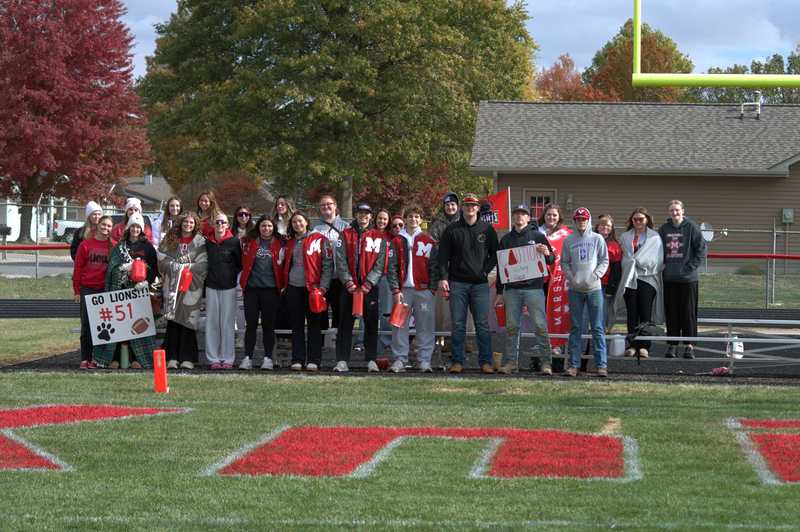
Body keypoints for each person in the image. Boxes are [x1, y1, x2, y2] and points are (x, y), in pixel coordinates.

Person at [437, 193, 498, 374]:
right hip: (458, 283)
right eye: (467, 205)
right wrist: (443, 277)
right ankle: (457, 361)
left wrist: (486, 270)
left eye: (473, 205)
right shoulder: (452, 230)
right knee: (458, 324)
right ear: (462, 208)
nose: (470, 208)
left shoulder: (487, 230)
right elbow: (442, 257)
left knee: (482, 324)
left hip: (480, 285)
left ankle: (485, 362)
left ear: (478, 208)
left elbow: (495, 254)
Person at [495, 204, 555, 374]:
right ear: (513, 217)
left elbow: (551, 259)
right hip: (512, 290)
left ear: (529, 218)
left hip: (534, 289)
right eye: (517, 214)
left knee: (540, 326)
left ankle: (546, 363)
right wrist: (500, 291)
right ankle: (511, 362)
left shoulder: (538, 236)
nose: (519, 217)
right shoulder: (506, 239)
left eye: (523, 214)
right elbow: (501, 267)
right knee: (512, 327)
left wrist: (545, 253)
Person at [93, 213, 158, 369]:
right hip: (120, 292)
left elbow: (154, 269)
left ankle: (137, 359)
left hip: (139, 293)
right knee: (119, 327)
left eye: (138, 226)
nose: (135, 229)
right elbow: (112, 268)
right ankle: (113, 358)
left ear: (141, 229)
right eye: (133, 226)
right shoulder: (120, 247)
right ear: (128, 228)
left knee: (138, 327)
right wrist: (123, 269)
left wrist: (146, 282)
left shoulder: (147, 247)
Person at [333, 203, 387, 372]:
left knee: (371, 324)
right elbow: (340, 260)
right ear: (355, 215)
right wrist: (348, 281)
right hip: (348, 288)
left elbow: (380, 263)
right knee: (345, 324)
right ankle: (342, 360)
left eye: (367, 213)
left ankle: (371, 359)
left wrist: (369, 282)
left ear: (371, 216)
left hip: (369, 289)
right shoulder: (345, 234)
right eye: (360, 213)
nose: (363, 216)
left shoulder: (379, 237)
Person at [387, 207, 438, 373]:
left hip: (423, 291)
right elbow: (391, 267)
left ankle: (424, 360)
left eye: (417, 216)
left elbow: (434, 266)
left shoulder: (428, 240)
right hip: (403, 291)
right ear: (405, 218)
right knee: (399, 325)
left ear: (421, 219)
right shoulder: (396, 241)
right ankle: (400, 359)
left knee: (425, 326)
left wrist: (432, 288)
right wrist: (395, 289)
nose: (413, 219)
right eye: (410, 216)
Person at [560, 207, 609, 377]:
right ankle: (573, 365)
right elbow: (564, 262)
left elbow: (604, 260)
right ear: (574, 221)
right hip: (575, 289)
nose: (581, 222)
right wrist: (571, 278)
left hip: (594, 288)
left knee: (597, 327)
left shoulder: (597, 239)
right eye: (578, 219)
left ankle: (601, 365)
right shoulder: (568, 240)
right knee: (576, 328)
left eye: (584, 219)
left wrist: (596, 275)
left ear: (588, 220)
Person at [283, 211, 333, 371]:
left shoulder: (319, 240)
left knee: (314, 325)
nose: (297, 224)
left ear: (306, 222)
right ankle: (297, 359)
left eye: (300, 221)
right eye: (294, 222)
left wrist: (323, 287)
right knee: (296, 325)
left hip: (313, 289)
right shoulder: (289, 242)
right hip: (293, 287)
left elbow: (327, 265)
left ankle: (314, 360)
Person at [159, 212, 208, 370]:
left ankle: (187, 357)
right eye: (185, 222)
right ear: (181, 223)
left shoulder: (200, 242)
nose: (188, 225)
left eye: (191, 223)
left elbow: (204, 264)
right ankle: (172, 356)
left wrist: (187, 267)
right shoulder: (169, 239)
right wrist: (174, 266)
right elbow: (161, 258)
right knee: (173, 321)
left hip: (191, 288)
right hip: (172, 287)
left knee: (188, 321)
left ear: (195, 225)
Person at [659, 199, 706, 359]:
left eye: (677, 210)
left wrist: (690, 267)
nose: (675, 213)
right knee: (671, 313)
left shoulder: (692, 227)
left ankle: (689, 345)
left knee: (688, 313)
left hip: (688, 279)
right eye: (672, 210)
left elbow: (701, 249)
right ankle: (672, 345)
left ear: (683, 211)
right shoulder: (664, 229)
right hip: (669, 278)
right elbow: (658, 250)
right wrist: (661, 266)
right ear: (668, 212)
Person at [614, 208, 664, 359]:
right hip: (630, 278)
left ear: (647, 220)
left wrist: (640, 262)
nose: (638, 222)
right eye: (635, 219)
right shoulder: (624, 237)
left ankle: (644, 346)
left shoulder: (655, 237)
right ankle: (633, 345)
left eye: (641, 219)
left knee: (645, 314)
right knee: (632, 313)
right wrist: (630, 263)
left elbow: (658, 260)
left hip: (648, 278)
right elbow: (623, 258)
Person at [239, 215, 283, 370]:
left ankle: (268, 358)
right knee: (250, 325)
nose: (266, 229)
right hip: (251, 289)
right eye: (263, 226)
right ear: (258, 227)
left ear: (274, 228)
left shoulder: (280, 243)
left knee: (268, 325)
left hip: (270, 290)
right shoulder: (249, 243)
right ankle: (247, 358)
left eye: (270, 226)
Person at [72, 215, 114, 369]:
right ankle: (85, 358)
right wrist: (77, 290)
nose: (106, 228)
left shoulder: (114, 246)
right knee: (86, 325)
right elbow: (77, 269)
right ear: (98, 225)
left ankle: (98, 358)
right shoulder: (85, 245)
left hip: (105, 290)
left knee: (102, 326)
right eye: (103, 225)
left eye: (109, 226)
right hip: (87, 288)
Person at [537, 203, 572, 370]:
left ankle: (557, 343)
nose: (551, 218)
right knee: (540, 314)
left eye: (554, 215)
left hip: (558, 279)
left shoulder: (565, 234)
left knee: (556, 312)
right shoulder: (537, 232)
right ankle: (543, 344)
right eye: (549, 214)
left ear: (559, 218)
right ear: (544, 215)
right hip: (538, 279)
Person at [204, 213, 242, 369]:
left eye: (223, 222)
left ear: (227, 225)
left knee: (227, 324)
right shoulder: (207, 242)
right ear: (213, 224)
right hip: (211, 286)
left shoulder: (234, 242)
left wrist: (232, 277)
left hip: (229, 287)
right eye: (217, 222)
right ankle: (213, 358)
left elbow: (240, 264)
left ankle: (227, 358)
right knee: (212, 323)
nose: (220, 224)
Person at [312, 193, 349, 331]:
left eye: (329, 204)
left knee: (340, 311)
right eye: (323, 205)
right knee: (320, 310)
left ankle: (337, 344)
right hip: (322, 278)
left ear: (335, 206)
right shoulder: (315, 230)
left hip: (341, 278)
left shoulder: (346, 228)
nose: (326, 207)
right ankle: (321, 344)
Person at [595, 214, 622, 332]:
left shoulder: (614, 246)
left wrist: (611, 288)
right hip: (588, 283)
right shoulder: (590, 240)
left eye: (608, 226)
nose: (605, 227)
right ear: (597, 226)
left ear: (612, 228)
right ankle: (585, 345)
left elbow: (616, 269)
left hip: (604, 285)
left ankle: (601, 343)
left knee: (601, 314)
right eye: (602, 225)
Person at [375, 208, 394, 354]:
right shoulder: (369, 235)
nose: (382, 221)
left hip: (386, 276)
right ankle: (362, 340)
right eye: (380, 218)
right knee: (367, 311)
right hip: (370, 277)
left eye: (385, 219)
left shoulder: (391, 237)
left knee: (386, 311)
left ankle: (386, 340)